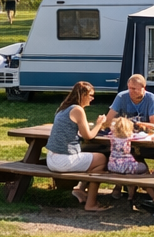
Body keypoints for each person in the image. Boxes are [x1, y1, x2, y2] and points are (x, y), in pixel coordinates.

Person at [46, 81, 110, 211]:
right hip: (63, 160)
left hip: (51, 158)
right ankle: (91, 203)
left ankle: (81, 190)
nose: (92, 98)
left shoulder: (63, 108)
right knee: (102, 159)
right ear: (83, 95)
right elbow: (88, 136)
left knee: (93, 157)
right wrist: (99, 123)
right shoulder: (78, 109)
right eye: (91, 95)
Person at [104, 116, 154, 206]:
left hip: (112, 166)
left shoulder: (111, 136)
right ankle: (150, 195)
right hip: (126, 166)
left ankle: (130, 195)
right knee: (143, 168)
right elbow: (143, 137)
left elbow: (109, 130)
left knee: (131, 173)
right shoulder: (129, 136)